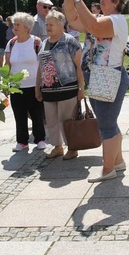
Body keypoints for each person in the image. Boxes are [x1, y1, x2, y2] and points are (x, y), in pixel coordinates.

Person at [63, 0, 129, 183]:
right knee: (107, 122)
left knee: (107, 124)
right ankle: (117, 162)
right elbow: (74, 21)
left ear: (117, 2)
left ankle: (107, 169)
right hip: (100, 76)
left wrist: (77, 0)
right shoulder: (102, 19)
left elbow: (92, 26)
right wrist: (69, 0)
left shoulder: (116, 20)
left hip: (108, 76)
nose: (101, 1)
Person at [34, 10, 85, 159]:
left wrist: (81, 88)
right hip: (48, 90)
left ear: (61, 25)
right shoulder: (44, 43)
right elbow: (40, 67)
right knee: (51, 121)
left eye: (51, 24)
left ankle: (72, 148)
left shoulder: (70, 41)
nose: (48, 27)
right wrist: (38, 87)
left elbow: (79, 66)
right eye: (47, 24)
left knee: (67, 121)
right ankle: (57, 147)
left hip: (67, 88)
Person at [5, 12, 46, 152]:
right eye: (14, 24)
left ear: (27, 27)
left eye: (18, 24)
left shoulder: (36, 42)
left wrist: (39, 85)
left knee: (37, 114)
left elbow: (42, 64)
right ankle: (22, 141)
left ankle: (40, 139)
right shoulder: (11, 43)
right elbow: (7, 65)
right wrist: (6, 84)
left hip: (34, 85)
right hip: (16, 86)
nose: (14, 27)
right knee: (19, 115)